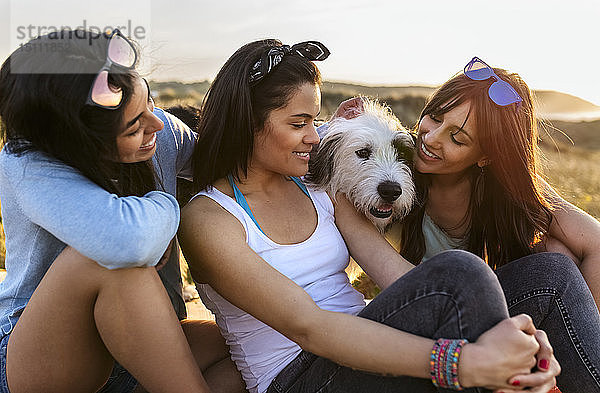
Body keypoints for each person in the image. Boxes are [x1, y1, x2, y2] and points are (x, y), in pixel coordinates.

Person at [179, 39, 560, 393]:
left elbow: (401, 279)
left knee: (538, 274)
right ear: (246, 123)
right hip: (297, 377)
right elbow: (310, 328)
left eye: (315, 120)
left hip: (363, 339)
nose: (315, 136)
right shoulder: (210, 218)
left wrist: (506, 334)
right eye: (299, 124)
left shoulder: (319, 188)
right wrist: (463, 362)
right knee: (462, 274)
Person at [331, 57, 600, 392]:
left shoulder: (506, 190)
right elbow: (340, 151)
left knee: (557, 251)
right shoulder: (394, 166)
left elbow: (595, 242)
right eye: (435, 116)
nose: (430, 139)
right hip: (424, 320)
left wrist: (584, 334)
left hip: (475, 314)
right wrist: (336, 122)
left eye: (457, 138)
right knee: (554, 275)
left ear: (486, 156)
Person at [0, 29, 243, 392]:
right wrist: (163, 202)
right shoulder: (27, 163)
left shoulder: (162, 134)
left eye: (150, 102)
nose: (156, 124)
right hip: (46, 360)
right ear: (80, 142)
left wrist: (330, 133)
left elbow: (234, 161)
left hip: (131, 348)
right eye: (134, 127)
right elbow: (126, 242)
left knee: (247, 352)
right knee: (109, 263)